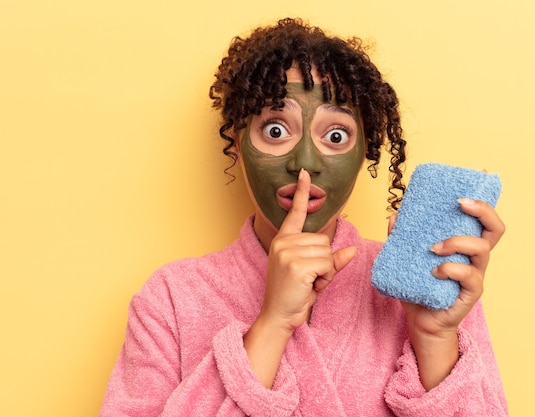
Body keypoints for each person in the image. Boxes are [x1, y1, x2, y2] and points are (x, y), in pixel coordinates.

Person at [99, 18, 508, 416]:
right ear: (236, 142)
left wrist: (435, 339)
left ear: (366, 150)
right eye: (276, 130)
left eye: (336, 135)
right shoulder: (171, 298)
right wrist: (272, 324)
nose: (305, 163)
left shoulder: (434, 286)